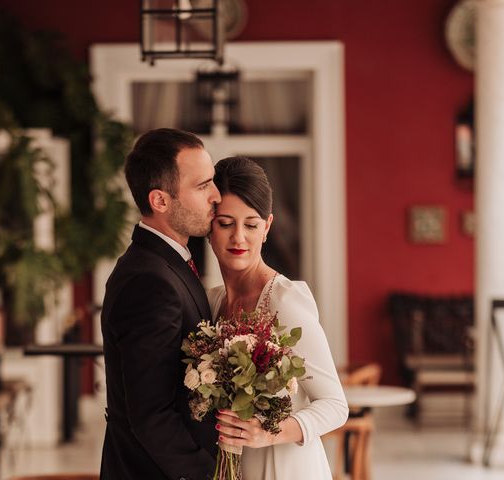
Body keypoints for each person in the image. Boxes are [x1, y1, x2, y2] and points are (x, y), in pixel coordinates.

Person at [206, 156, 349, 479]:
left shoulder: (285, 301)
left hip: (286, 468)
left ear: (267, 227)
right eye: (226, 223)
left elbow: (336, 405)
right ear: (209, 226)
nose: (238, 238)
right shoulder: (212, 302)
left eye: (251, 224)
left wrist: (268, 433)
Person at [100, 128, 221, 480]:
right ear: (160, 201)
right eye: (202, 186)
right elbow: (151, 414)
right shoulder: (149, 281)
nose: (216, 196)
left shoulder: (167, 264)